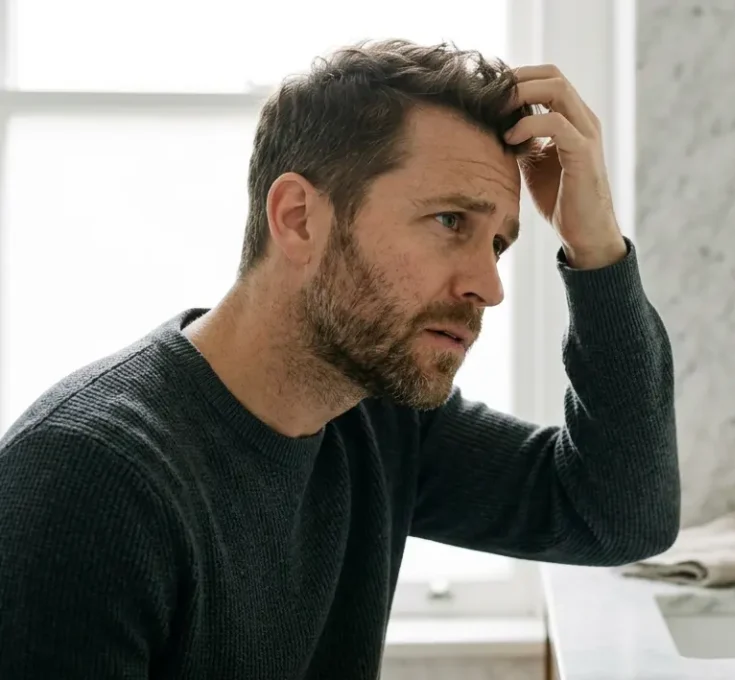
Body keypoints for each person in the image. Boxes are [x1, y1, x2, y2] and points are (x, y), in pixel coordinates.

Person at [0, 39, 680, 679]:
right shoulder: (89, 482)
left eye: (498, 244)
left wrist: (595, 248)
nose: (490, 286)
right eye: (451, 222)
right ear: (299, 218)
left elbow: (617, 514)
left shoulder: (374, 415)